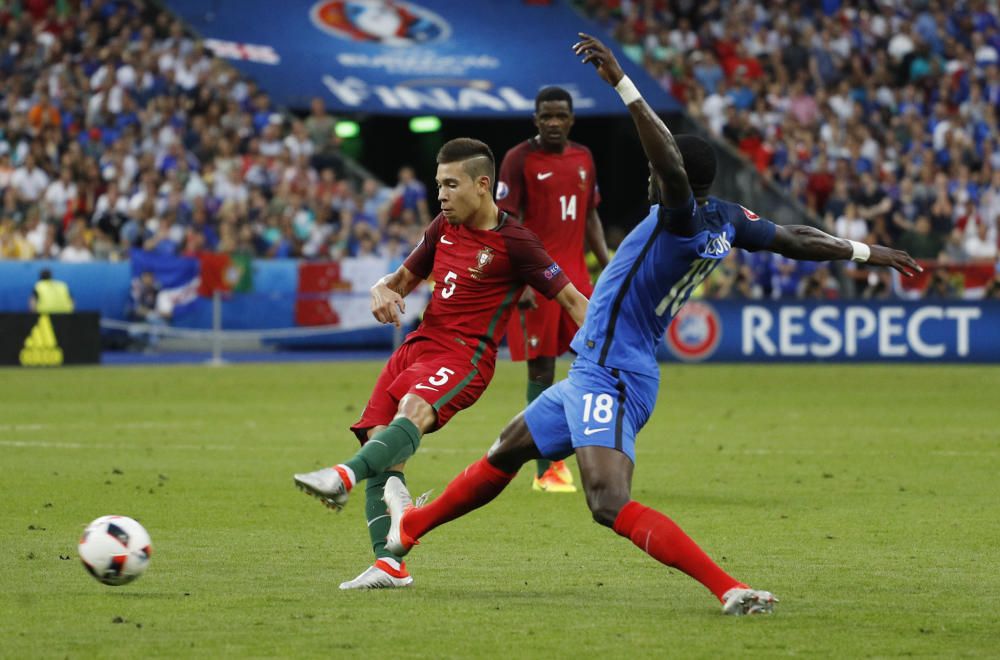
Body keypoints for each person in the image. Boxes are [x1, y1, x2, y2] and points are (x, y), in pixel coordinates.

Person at [379, 35, 922, 615]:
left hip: (612, 376)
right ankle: (406, 532)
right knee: (508, 450)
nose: (648, 177)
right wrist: (865, 252)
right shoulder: (728, 220)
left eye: (657, 172)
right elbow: (797, 240)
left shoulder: (681, 218)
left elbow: (669, 164)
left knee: (607, 502)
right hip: (598, 365)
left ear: (673, 179)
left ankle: (729, 588)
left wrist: (622, 83)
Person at [292, 138, 589, 590]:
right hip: (417, 347)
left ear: (482, 185)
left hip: (466, 355)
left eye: (451, 185)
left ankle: (343, 476)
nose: (442, 195)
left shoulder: (516, 242)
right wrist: (383, 289)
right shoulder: (442, 227)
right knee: (381, 444)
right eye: (439, 185)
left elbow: (571, 299)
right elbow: (401, 280)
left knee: (412, 410)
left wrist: (612, 348)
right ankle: (389, 565)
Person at [498, 86, 610, 493]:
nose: (554, 122)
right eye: (546, 116)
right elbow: (504, 223)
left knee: (594, 366)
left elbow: (591, 215)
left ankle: (593, 457)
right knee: (541, 369)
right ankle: (545, 470)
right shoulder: (518, 159)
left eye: (560, 115)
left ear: (572, 118)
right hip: (538, 279)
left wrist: (609, 269)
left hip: (578, 280)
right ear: (535, 119)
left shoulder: (583, 157)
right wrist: (519, 279)